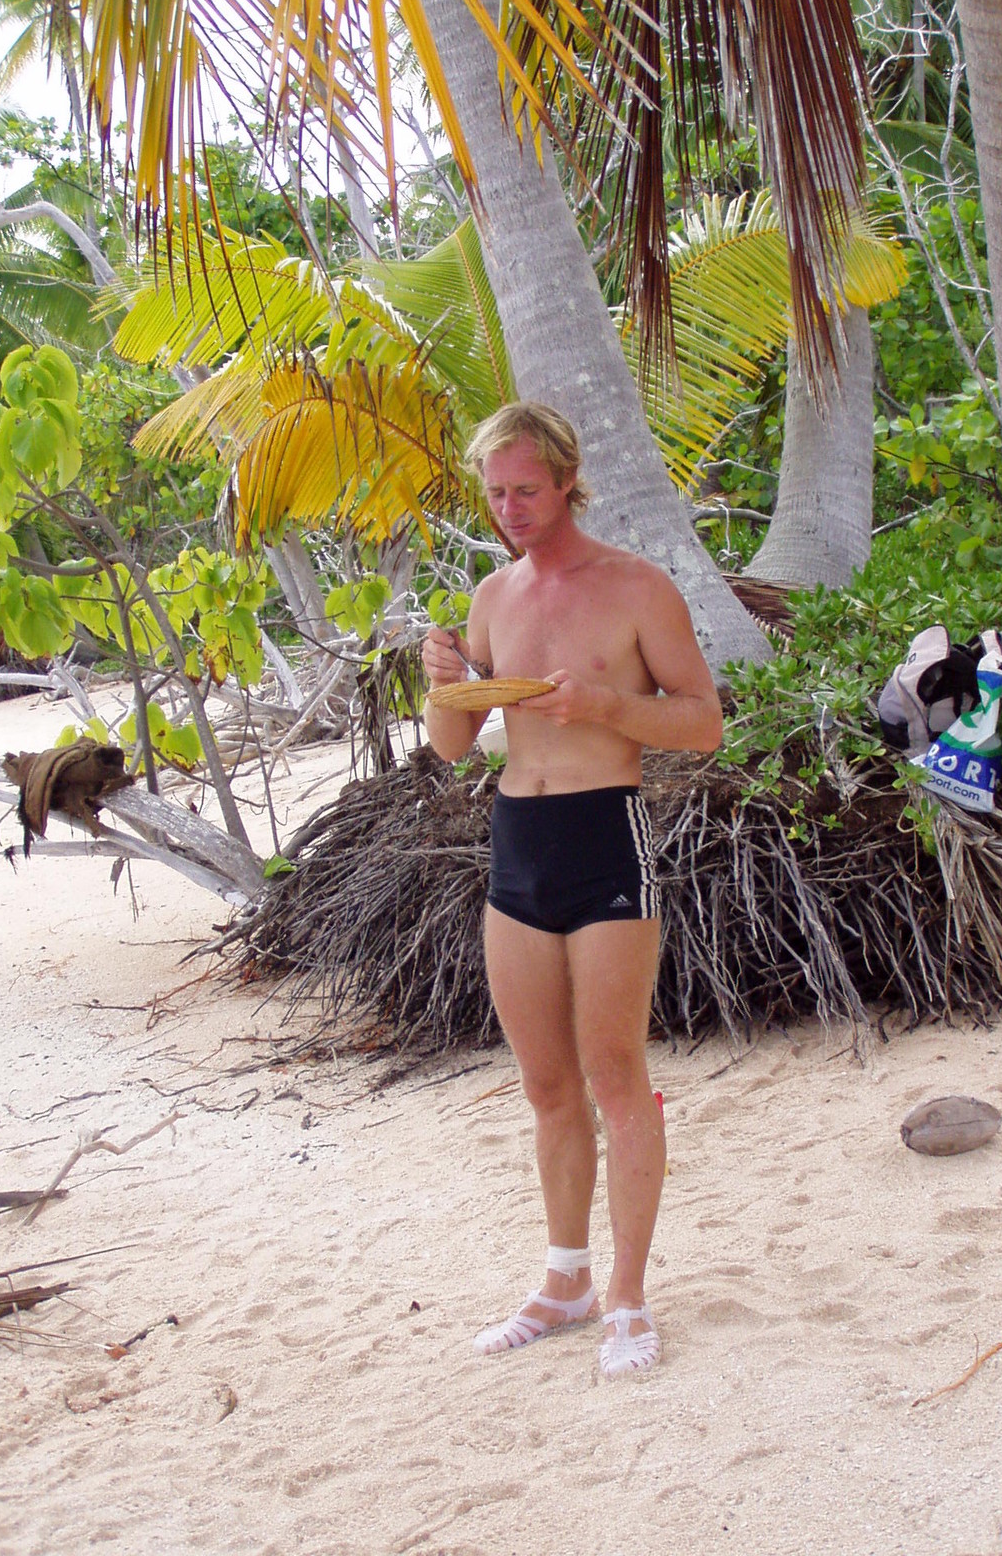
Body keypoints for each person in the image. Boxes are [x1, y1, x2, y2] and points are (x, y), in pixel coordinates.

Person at [421, 402, 722, 1377]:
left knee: (614, 1074)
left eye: (525, 488)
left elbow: (703, 723)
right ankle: (565, 1283)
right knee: (546, 1085)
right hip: (518, 842)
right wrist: (442, 683)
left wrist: (602, 705)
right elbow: (454, 746)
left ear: (564, 479)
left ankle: (629, 1294)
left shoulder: (636, 587)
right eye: (495, 490)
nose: (509, 506)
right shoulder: (492, 598)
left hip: (605, 833)